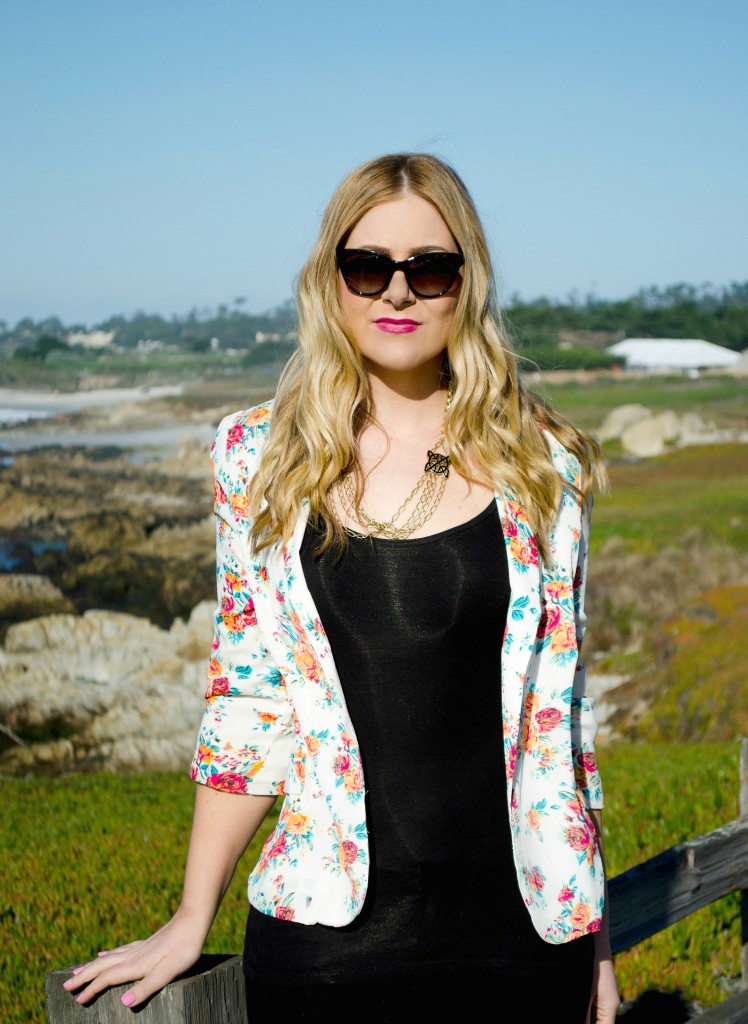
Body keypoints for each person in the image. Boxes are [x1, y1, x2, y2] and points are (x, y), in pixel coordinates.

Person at [63, 152, 620, 1023]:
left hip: (526, 946)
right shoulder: (257, 457)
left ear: (465, 284)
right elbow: (248, 700)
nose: (397, 293)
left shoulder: (543, 466)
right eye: (368, 267)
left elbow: (562, 721)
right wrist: (189, 915)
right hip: (326, 953)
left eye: (428, 268)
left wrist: (598, 944)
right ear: (332, 282)